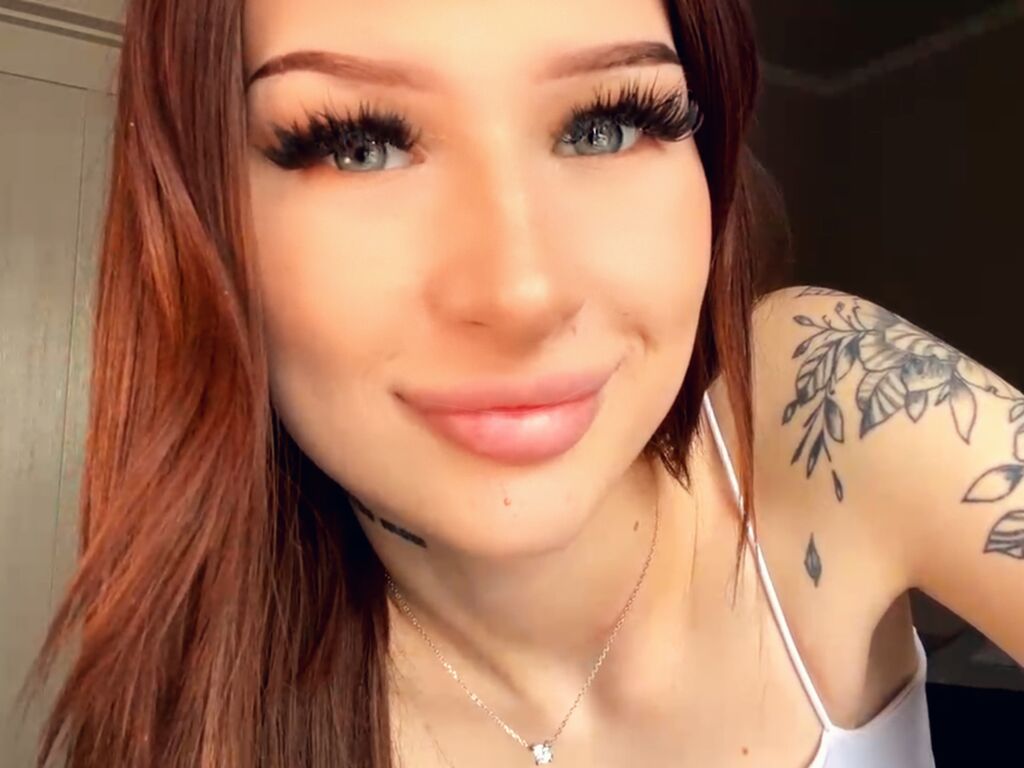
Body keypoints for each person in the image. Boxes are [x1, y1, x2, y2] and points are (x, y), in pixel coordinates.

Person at [25, 0, 1023, 766]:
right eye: (359, 144)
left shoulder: (831, 406)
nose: (522, 294)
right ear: (199, 224)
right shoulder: (211, 729)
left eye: (604, 124)